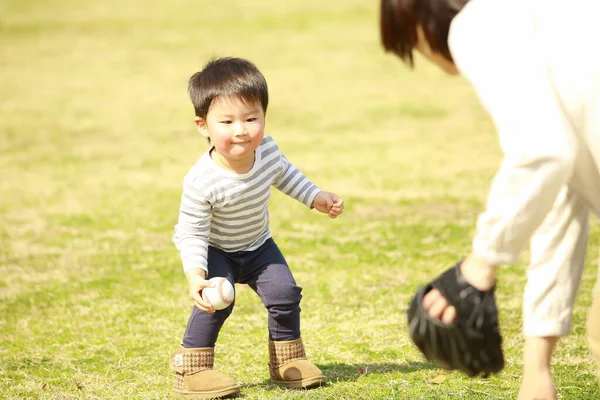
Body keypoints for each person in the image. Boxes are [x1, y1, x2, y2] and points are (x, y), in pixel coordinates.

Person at [379, 0, 600, 399]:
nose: (423, 56)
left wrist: (482, 262)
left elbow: (544, 153)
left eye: (411, 41)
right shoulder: (544, 20)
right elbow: (557, 192)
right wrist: (537, 369)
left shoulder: (479, 22)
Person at [169, 57, 344, 399]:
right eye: (227, 121)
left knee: (284, 293)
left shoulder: (266, 150)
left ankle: (287, 362)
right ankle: (192, 369)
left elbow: (285, 174)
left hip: (259, 245)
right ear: (203, 125)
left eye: (252, 118)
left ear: (264, 116)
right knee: (217, 303)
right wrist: (196, 274)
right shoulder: (201, 181)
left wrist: (315, 196)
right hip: (216, 250)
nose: (241, 130)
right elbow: (191, 232)